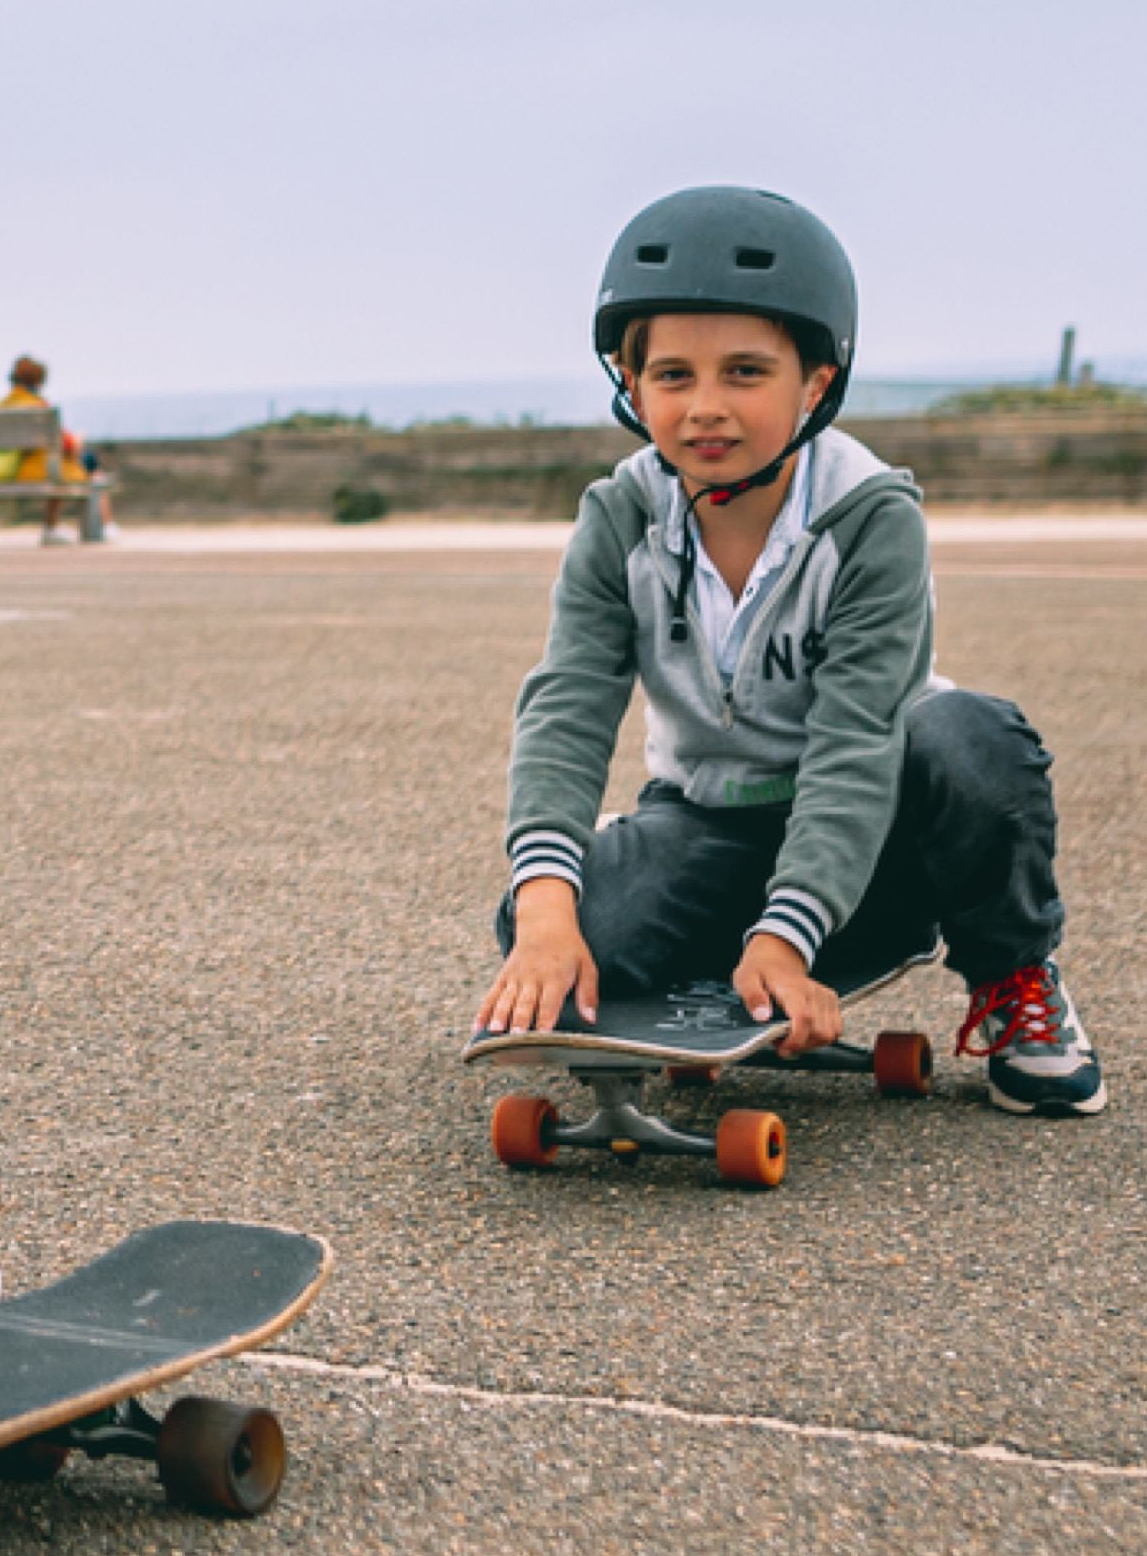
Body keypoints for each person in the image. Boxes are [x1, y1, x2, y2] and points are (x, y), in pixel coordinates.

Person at [470, 188, 1099, 1115]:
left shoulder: (871, 517)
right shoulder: (620, 515)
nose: (705, 407)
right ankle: (743, 967)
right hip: (712, 823)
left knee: (969, 737)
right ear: (627, 381)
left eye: (746, 372)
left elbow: (855, 741)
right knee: (553, 913)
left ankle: (1012, 977)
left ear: (816, 382)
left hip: (880, 830)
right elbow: (566, 706)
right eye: (674, 375)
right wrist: (549, 913)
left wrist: (791, 933)